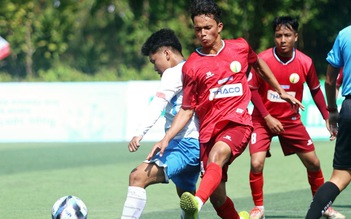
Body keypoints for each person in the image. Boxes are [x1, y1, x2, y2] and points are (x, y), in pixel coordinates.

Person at [148, 1, 303, 219]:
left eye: (207, 28)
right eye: (198, 29)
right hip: (208, 131)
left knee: (217, 155)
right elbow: (187, 109)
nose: (202, 33)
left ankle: (196, 203)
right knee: (219, 198)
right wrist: (167, 138)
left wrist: (281, 91)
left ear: (219, 26)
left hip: (237, 123)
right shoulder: (192, 65)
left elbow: (258, 64)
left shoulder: (239, 47)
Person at [247, 16, 345, 219]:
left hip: (290, 120)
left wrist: (327, 116)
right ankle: (259, 208)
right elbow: (252, 90)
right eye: (278, 35)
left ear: (296, 37)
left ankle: (323, 207)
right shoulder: (262, 60)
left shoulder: (305, 62)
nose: (282, 40)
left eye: (287, 35)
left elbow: (316, 90)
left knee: (314, 163)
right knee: (256, 163)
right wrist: (267, 118)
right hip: (263, 120)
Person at [121, 28, 200, 219]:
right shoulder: (194, 68)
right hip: (196, 146)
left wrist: (140, 133)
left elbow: (157, 104)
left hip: (185, 146)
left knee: (137, 176)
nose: (155, 67)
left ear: (167, 53)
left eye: (154, 61)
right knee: (187, 197)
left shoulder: (173, 73)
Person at [305, 25, 351, 219]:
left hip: (349, 109)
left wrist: (331, 111)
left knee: (339, 176)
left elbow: (330, 81)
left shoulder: (345, 34)